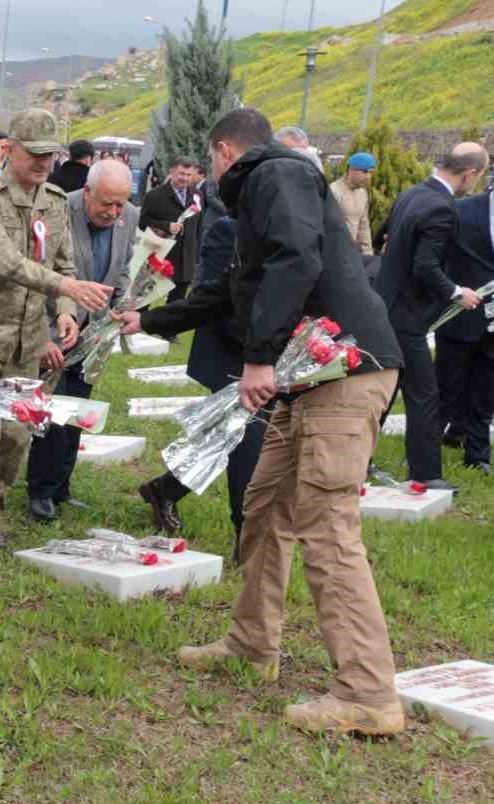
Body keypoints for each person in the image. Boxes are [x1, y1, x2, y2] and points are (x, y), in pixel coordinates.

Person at [117, 107, 405, 736]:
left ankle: (367, 693)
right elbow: (232, 289)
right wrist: (150, 319)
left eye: (209, 160)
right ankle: (251, 643)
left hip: (343, 373)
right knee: (266, 506)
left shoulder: (277, 173)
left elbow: (295, 262)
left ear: (225, 150)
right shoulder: (262, 197)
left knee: (327, 527)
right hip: (309, 378)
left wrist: (257, 358)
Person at [0, 109, 112, 564]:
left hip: (30, 337)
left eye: (50, 154)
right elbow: (5, 261)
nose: (43, 162)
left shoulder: (55, 202)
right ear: (10, 150)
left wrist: (66, 314)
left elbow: (63, 263)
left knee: (16, 433)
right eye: (35, 153)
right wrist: (67, 289)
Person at [132, 216, 269, 560]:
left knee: (226, 439)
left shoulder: (293, 230)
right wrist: (259, 345)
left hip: (270, 355)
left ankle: (165, 488)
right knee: (248, 444)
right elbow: (212, 297)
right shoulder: (229, 229)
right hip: (231, 353)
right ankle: (246, 539)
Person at [24, 159, 139, 521]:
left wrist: (121, 306)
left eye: (120, 204)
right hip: (53, 326)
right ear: (87, 192)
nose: (114, 212)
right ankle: (40, 491)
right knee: (54, 413)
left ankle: (62, 486)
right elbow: (35, 276)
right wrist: (41, 334)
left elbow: (122, 267)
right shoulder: (56, 211)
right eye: (106, 203)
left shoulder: (129, 215)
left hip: (94, 333)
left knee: (79, 411)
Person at [374, 143, 488, 489]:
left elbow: (381, 239)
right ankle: (425, 475)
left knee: (383, 391)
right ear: (469, 173)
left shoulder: (412, 193)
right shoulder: (442, 207)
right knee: (424, 395)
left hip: (385, 306)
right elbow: (425, 266)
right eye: (478, 177)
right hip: (407, 318)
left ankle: (357, 459)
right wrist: (457, 292)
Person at [431, 171, 494, 476]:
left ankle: (478, 455)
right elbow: (436, 257)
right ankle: (425, 450)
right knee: (445, 388)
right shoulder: (462, 210)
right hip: (460, 314)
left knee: (486, 391)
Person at [138, 156, 203, 303]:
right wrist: (166, 226)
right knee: (144, 302)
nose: (185, 178)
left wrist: (196, 255)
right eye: (181, 174)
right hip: (160, 257)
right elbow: (143, 222)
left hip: (185, 260)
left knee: (177, 304)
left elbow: (199, 226)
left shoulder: (197, 195)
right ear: (172, 171)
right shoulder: (155, 195)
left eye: (189, 175)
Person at [330, 151, 376, 258]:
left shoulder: (362, 193)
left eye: (371, 172)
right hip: (334, 255)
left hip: (353, 255)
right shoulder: (334, 191)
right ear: (351, 170)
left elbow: (364, 226)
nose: (368, 176)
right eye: (365, 172)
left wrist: (368, 255)